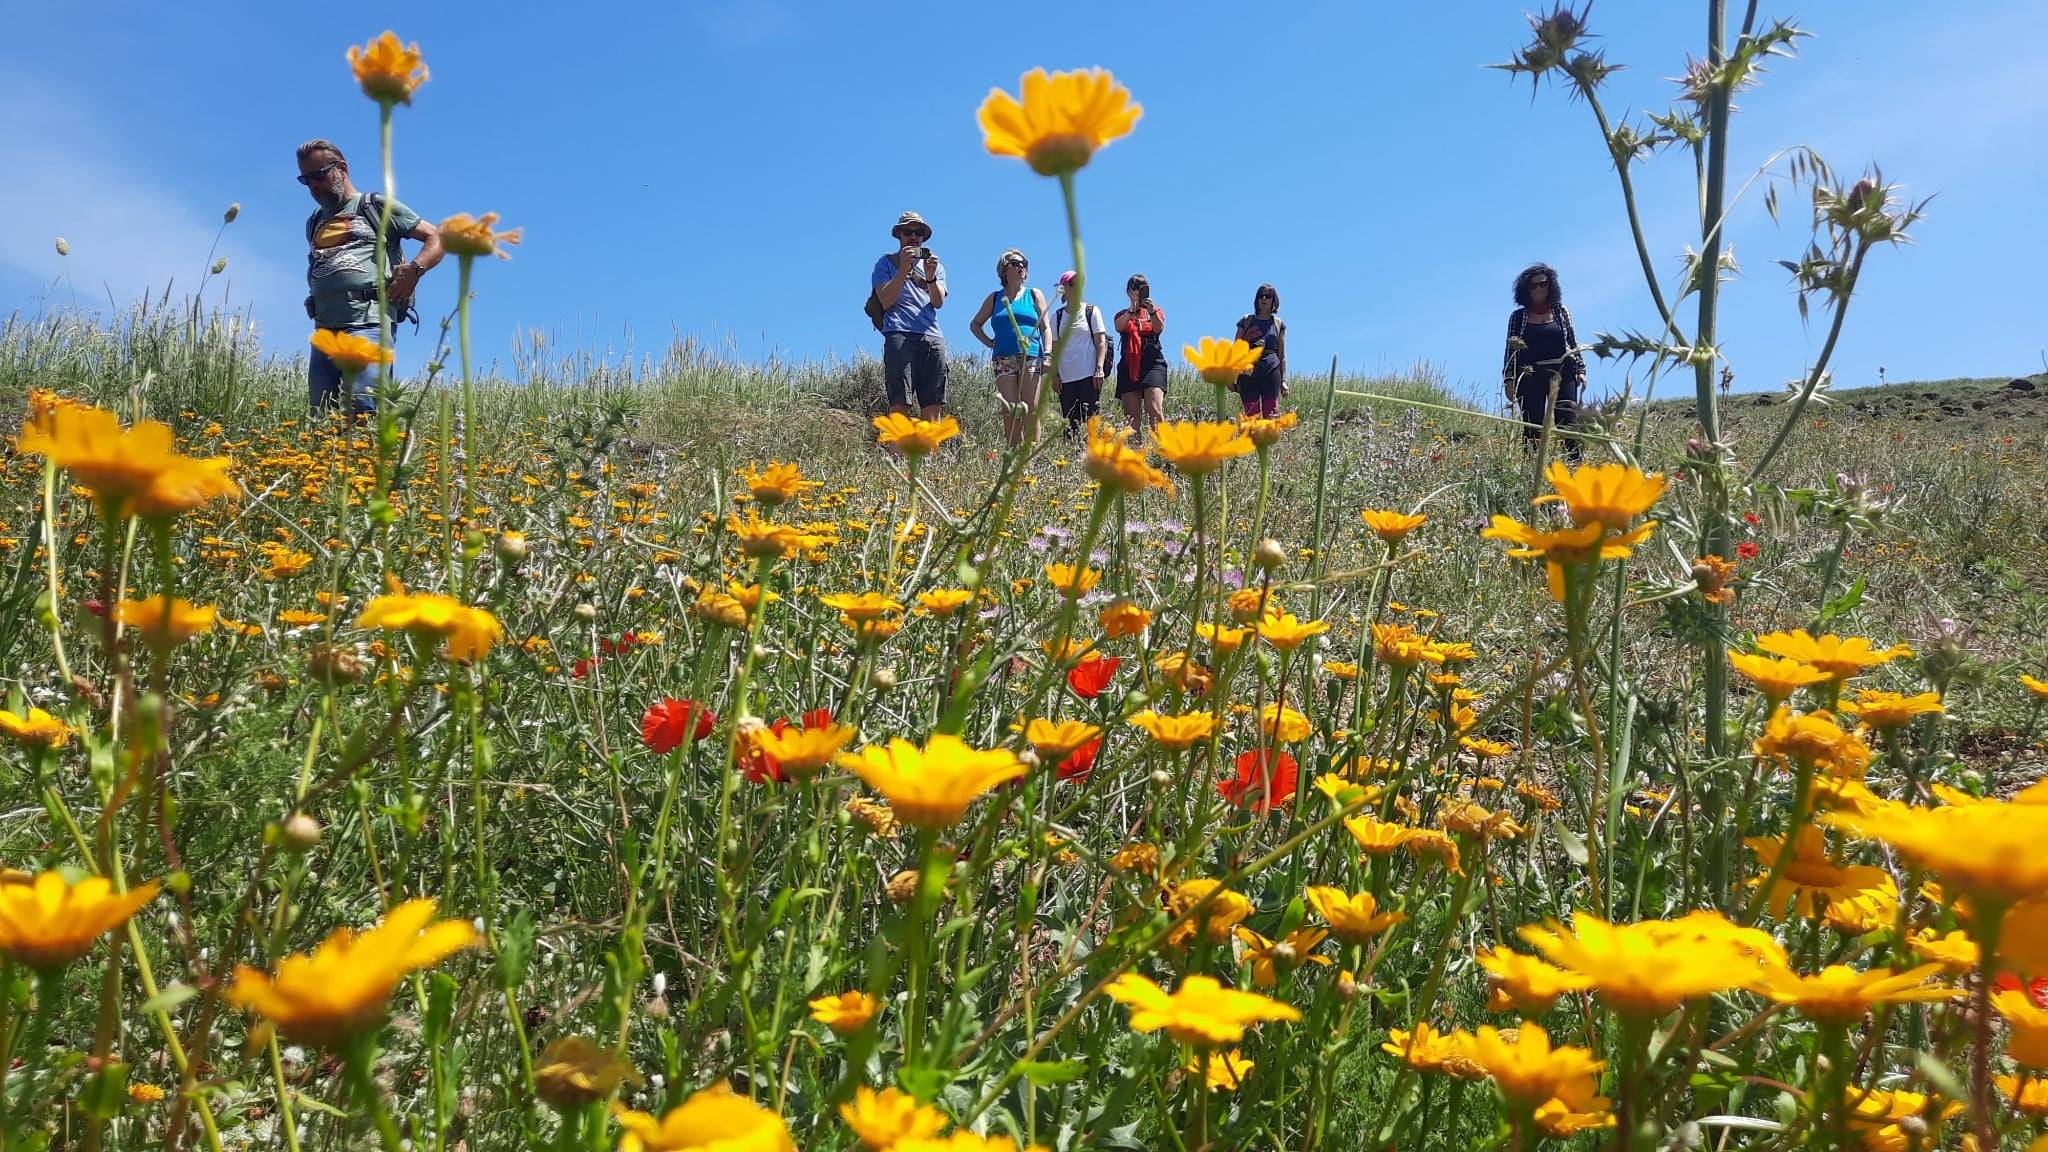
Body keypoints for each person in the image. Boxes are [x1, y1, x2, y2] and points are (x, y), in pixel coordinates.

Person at [298, 139, 443, 416]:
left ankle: (365, 457)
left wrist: (414, 271)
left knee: (364, 408)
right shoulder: (315, 221)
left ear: (342, 168)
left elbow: (435, 236)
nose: (314, 186)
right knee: (320, 418)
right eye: (306, 180)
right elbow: (317, 261)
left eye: (319, 176)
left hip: (368, 322)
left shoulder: (374, 206)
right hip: (325, 328)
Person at [1501, 262, 1586, 459]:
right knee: (1533, 423)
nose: (1539, 288)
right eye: (1534, 285)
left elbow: (1572, 341)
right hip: (1530, 374)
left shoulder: (1561, 311)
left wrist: (1581, 369)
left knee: (1568, 418)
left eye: (1543, 284)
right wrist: (1509, 379)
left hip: (1563, 371)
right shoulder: (1518, 317)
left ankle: (1575, 464)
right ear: (1526, 289)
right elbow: (1510, 350)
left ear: (1551, 286)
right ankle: (1532, 468)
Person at [872, 211, 950, 423]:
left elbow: (938, 302)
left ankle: (930, 456)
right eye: (908, 231)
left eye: (919, 232)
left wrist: (931, 276)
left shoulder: (935, 267)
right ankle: (896, 456)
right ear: (899, 235)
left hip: (932, 337)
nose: (914, 236)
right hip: (899, 334)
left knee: (933, 404)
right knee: (900, 403)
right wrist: (903, 269)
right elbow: (886, 300)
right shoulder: (885, 264)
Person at [970, 249, 1051, 446]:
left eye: (1024, 263)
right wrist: (989, 342)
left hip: (1031, 355)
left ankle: (1031, 455)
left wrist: (1048, 354)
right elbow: (975, 324)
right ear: (1004, 269)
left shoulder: (1034, 294)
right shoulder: (995, 298)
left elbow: (1045, 327)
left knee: (1030, 407)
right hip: (1003, 358)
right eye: (1016, 263)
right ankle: (1014, 455)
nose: (1021, 267)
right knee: (1010, 409)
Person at [1049, 270, 1111, 437]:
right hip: (1066, 381)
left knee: (1093, 424)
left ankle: (1094, 459)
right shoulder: (1057, 317)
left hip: (1089, 377)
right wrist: (1054, 375)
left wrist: (1099, 368)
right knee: (1070, 427)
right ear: (1063, 288)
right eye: (1071, 284)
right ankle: (1071, 461)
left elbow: (1101, 341)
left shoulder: (1091, 311)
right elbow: (1053, 348)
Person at [1114, 274, 1167, 435]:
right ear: (1128, 292)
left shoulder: (1156, 311)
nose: (1138, 291)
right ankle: (1135, 456)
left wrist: (1151, 312)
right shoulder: (1122, 314)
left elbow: (1158, 328)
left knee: (1155, 410)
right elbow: (1119, 327)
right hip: (1129, 366)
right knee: (1131, 419)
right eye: (1135, 288)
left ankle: (1164, 452)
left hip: (1152, 364)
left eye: (1142, 287)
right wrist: (1132, 309)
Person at [1233, 284, 1288, 418]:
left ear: (1273, 301)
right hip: (1248, 372)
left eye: (1268, 296)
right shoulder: (1246, 321)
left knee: (1271, 412)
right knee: (1252, 414)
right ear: (1256, 300)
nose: (1264, 298)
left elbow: (1282, 355)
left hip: (1271, 369)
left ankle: (1270, 438)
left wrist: (1283, 381)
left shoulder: (1278, 323)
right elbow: (1236, 349)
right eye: (1261, 296)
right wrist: (1231, 376)